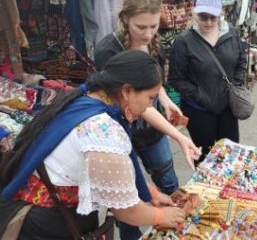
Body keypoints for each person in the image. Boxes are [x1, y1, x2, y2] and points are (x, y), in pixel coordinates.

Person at [0, 51, 185, 239]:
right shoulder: (103, 132)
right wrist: (160, 216)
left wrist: (151, 193)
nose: (149, 106)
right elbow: (127, 211)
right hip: (48, 223)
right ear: (127, 91)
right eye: (150, 97)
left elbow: (113, 176)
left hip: (46, 211)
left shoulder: (86, 100)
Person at [95, 0, 201, 196]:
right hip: (121, 131)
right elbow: (139, 106)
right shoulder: (108, 51)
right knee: (129, 192)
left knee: (170, 184)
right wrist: (179, 137)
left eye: (153, 26)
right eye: (141, 27)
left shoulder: (154, 42)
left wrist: (163, 99)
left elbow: (152, 80)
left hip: (151, 131)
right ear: (125, 18)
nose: (148, 34)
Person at [168, 0, 247, 163]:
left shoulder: (232, 34)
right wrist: (199, 95)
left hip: (227, 107)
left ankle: (226, 187)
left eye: (213, 17)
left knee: (230, 154)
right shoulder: (184, 41)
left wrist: (236, 83)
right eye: (203, 17)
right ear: (196, 13)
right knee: (203, 157)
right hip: (199, 110)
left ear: (221, 13)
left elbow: (242, 61)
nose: (208, 22)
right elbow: (175, 79)